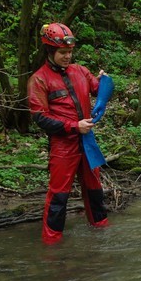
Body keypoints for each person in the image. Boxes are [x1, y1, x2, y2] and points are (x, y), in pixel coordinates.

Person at [28, 23, 109, 244]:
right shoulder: (39, 79)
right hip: (63, 144)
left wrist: (105, 81)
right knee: (59, 196)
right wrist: (73, 126)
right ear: (50, 51)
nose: (67, 56)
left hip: (87, 141)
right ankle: (52, 242)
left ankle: (101, 233)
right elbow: (40, 117)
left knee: (95, 190)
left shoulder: (80, 71)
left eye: (70, 52)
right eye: (63, 53)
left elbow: (98, 88)